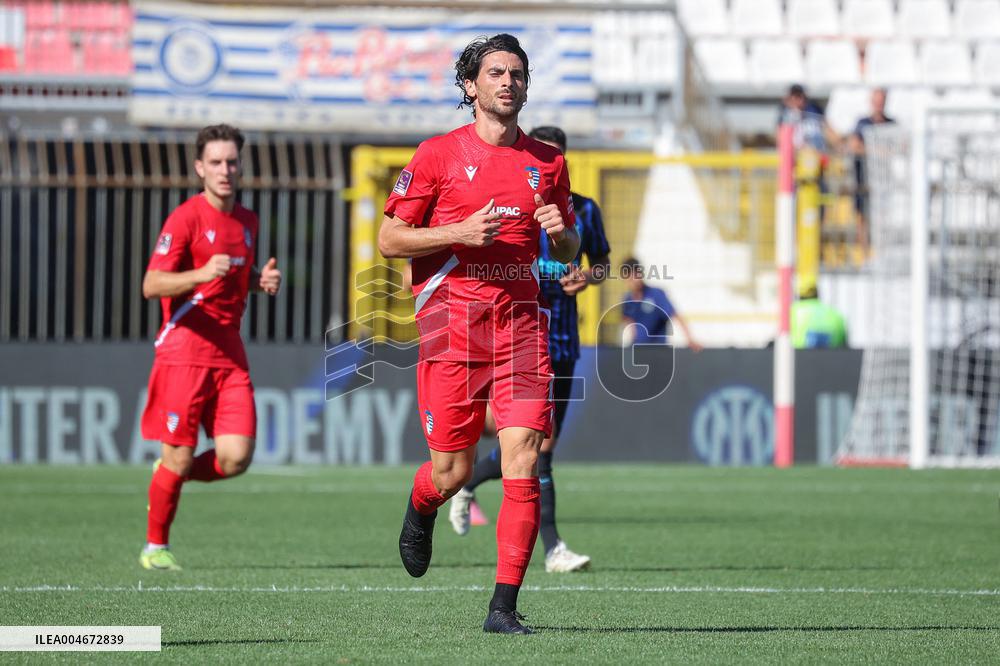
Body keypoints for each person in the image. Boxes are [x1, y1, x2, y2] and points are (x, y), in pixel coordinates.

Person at [377, 34, 580, 634]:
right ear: (471, 86)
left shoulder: (548, 161)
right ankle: (421, 507)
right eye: (495, 73)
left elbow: (569, 249)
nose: (507, 83)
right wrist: (458, 233)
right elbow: (389, 240)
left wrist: (562, 232)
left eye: (518, 74)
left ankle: (503, 608)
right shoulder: (438, 154)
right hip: (452, 330)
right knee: (452, 474)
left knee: (525, 454)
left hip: (521, 329)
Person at [449, 125, 611, 574]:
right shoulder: (508, 203)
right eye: (540, 160)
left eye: (554, 161)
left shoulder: (584, 210)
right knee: (539, 444)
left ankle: (468, 483)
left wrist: (588, 278)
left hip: (562, 337)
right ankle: (554, 547)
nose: (545, 170)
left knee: (535, 443)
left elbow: (600, 262)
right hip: (516, 332)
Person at [138, 124, 281, 571]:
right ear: (200, 167)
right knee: (178, 455)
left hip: (230, 354)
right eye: (216, 162)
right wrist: (199, 274)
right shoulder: (185, 218)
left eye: (231, 162)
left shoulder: (247, 221)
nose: (225, 170)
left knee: (236, 457)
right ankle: (155, 547)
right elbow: (152, 284)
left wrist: (258, 282)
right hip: (184, 352)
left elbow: (233, 279)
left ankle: (167, 476)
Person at [621, 256, 701, 350]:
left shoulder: (656, 294)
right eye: (630, 277)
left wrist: (689, 339)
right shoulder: (627, 299)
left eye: (636, 275)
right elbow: (630, 324)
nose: (634, 280)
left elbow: (676, 316)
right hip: (638, 352)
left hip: (658, 352)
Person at [849, 88, 894, 249]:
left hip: (884, 179)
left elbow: (899, 147)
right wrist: (877, 151)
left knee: (883, 216)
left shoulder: (892, 124)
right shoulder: (862, 123)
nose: (878, 104)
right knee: (862, 215)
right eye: (876, 100)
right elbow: (854, 146)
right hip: (864, 177)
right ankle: (864, 252)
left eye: (881, 100)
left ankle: (882, 250)